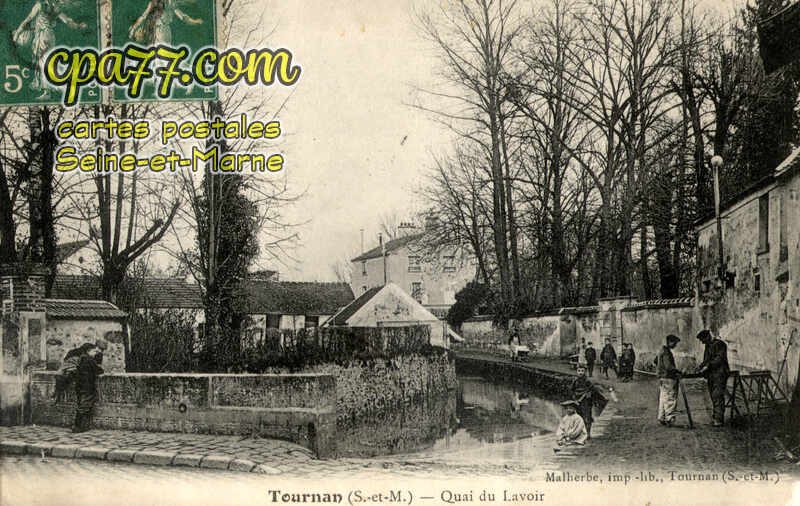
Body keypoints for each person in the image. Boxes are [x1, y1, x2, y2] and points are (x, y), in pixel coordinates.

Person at [12, 0, 87, 95]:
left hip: (43, 36)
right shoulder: (56, 8)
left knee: (43, 60)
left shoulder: (39, 5)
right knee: (42, 59)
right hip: (48, 35)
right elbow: (67, 21)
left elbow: (28, 19)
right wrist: (78, 26)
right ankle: (40, 83)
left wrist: (17, 34)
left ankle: (47, 90)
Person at [129, 0, 203, 46]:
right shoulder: (154, 2)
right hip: (157, 31)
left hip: (163, 31)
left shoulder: (170, 2)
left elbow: (183, 16)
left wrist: (194, 22)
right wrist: (134, 28)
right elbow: (143, 16)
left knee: (163, 56)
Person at [695, 329, 730, 427]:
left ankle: (719, 419)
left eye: (703, 340)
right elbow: (706, 360)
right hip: (711, 375)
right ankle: (716, 417)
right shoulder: (708, 345)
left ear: (707, 337)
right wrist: (700, 366)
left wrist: (708, 366)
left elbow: (719, 359)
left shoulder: (720, 344)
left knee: (717, 396)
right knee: (713, 396)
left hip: (720, 374)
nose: (702, 342)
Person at [72, 345, 104, 433]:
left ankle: (81, 425)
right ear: (89, 351)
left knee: (82, 404)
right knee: (84, 405)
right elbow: (98, 370)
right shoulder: (89, 360)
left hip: (80, 385)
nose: (95, 354)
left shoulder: (81, 359)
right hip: (87, 386)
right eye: (94, 352)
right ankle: (78, 426)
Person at [656, 334, 681, 426]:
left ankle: (661, 417)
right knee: (670, 398)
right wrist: (677, 371)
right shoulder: (666, 352)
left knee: (663, 398)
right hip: (669, 378)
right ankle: (669, 418)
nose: (675, 345)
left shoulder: (661, 350)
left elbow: (655, 361)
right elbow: (668, 366)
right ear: (670, 342)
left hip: (662, 378)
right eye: (674, 343)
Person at [571, 365, 597, 438]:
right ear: (576, 372)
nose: (580, 373)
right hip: (577, 401)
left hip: (586, 401)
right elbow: (572, 390)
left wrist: (589, 395)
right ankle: (581, 433)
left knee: (587, 417)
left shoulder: (587, 381)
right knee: (579, 417)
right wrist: (574, 398)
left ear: (585, 372)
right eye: (579, 371)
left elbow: (592, 389)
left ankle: (588, 433)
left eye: (582, 371)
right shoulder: (575, 381)